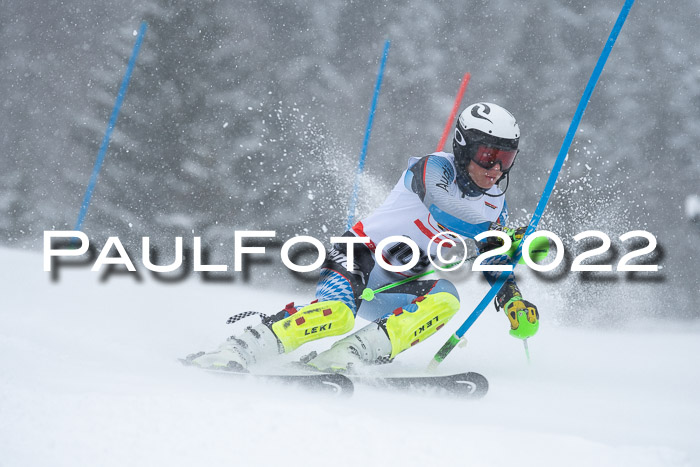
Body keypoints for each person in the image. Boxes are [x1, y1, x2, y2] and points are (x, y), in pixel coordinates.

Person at [186, 102, 539, 372]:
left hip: (400, 278)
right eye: (488, 155)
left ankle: (343, 357)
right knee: (337, 315)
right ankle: (238, 349)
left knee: (446, 298)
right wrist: (499, 235)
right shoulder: (434, 168)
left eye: (505, 158)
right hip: (359, 255)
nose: (496, 169)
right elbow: (442, 208)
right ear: (463, 147)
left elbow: (494, 261)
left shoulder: (495, 205)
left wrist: (513, 302)